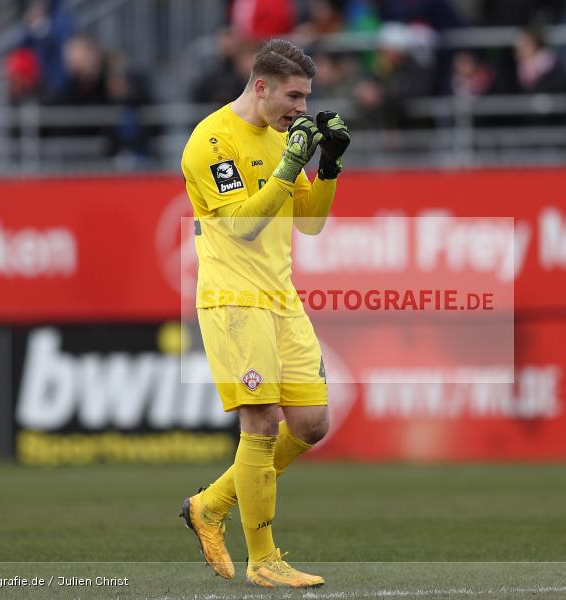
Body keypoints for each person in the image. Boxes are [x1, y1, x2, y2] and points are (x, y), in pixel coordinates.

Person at [178, 38, 350, 588]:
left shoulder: (281, 141)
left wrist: (328, 165)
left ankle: (210, 504)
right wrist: (291, 162)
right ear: (261, 87)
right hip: (233, 299)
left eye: (305, 98)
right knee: (261, 421)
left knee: (310, 423)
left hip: (280, 296)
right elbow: (243, 225)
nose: (301, 108)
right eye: (294, 97)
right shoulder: (210, 142)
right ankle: (263, 558)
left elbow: (310, 223)